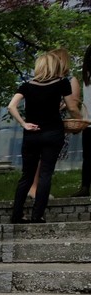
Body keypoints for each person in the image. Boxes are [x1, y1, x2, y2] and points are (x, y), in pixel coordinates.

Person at [8, 50, 81, 224]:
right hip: (53, 133)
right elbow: (71, 107)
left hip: (31, 134)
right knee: (46, 174)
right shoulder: (62, 83)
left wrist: (24, 123)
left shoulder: (26, 85)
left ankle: (16, 214)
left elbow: (11, 106)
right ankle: (37, 215)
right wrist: (79, 118)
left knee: (27, 175)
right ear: (54, 66)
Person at [76, 45, 91, 198]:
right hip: (87, 122)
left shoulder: (87, 75)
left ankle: (85, 186)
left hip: (88, 123)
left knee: (87, 158)